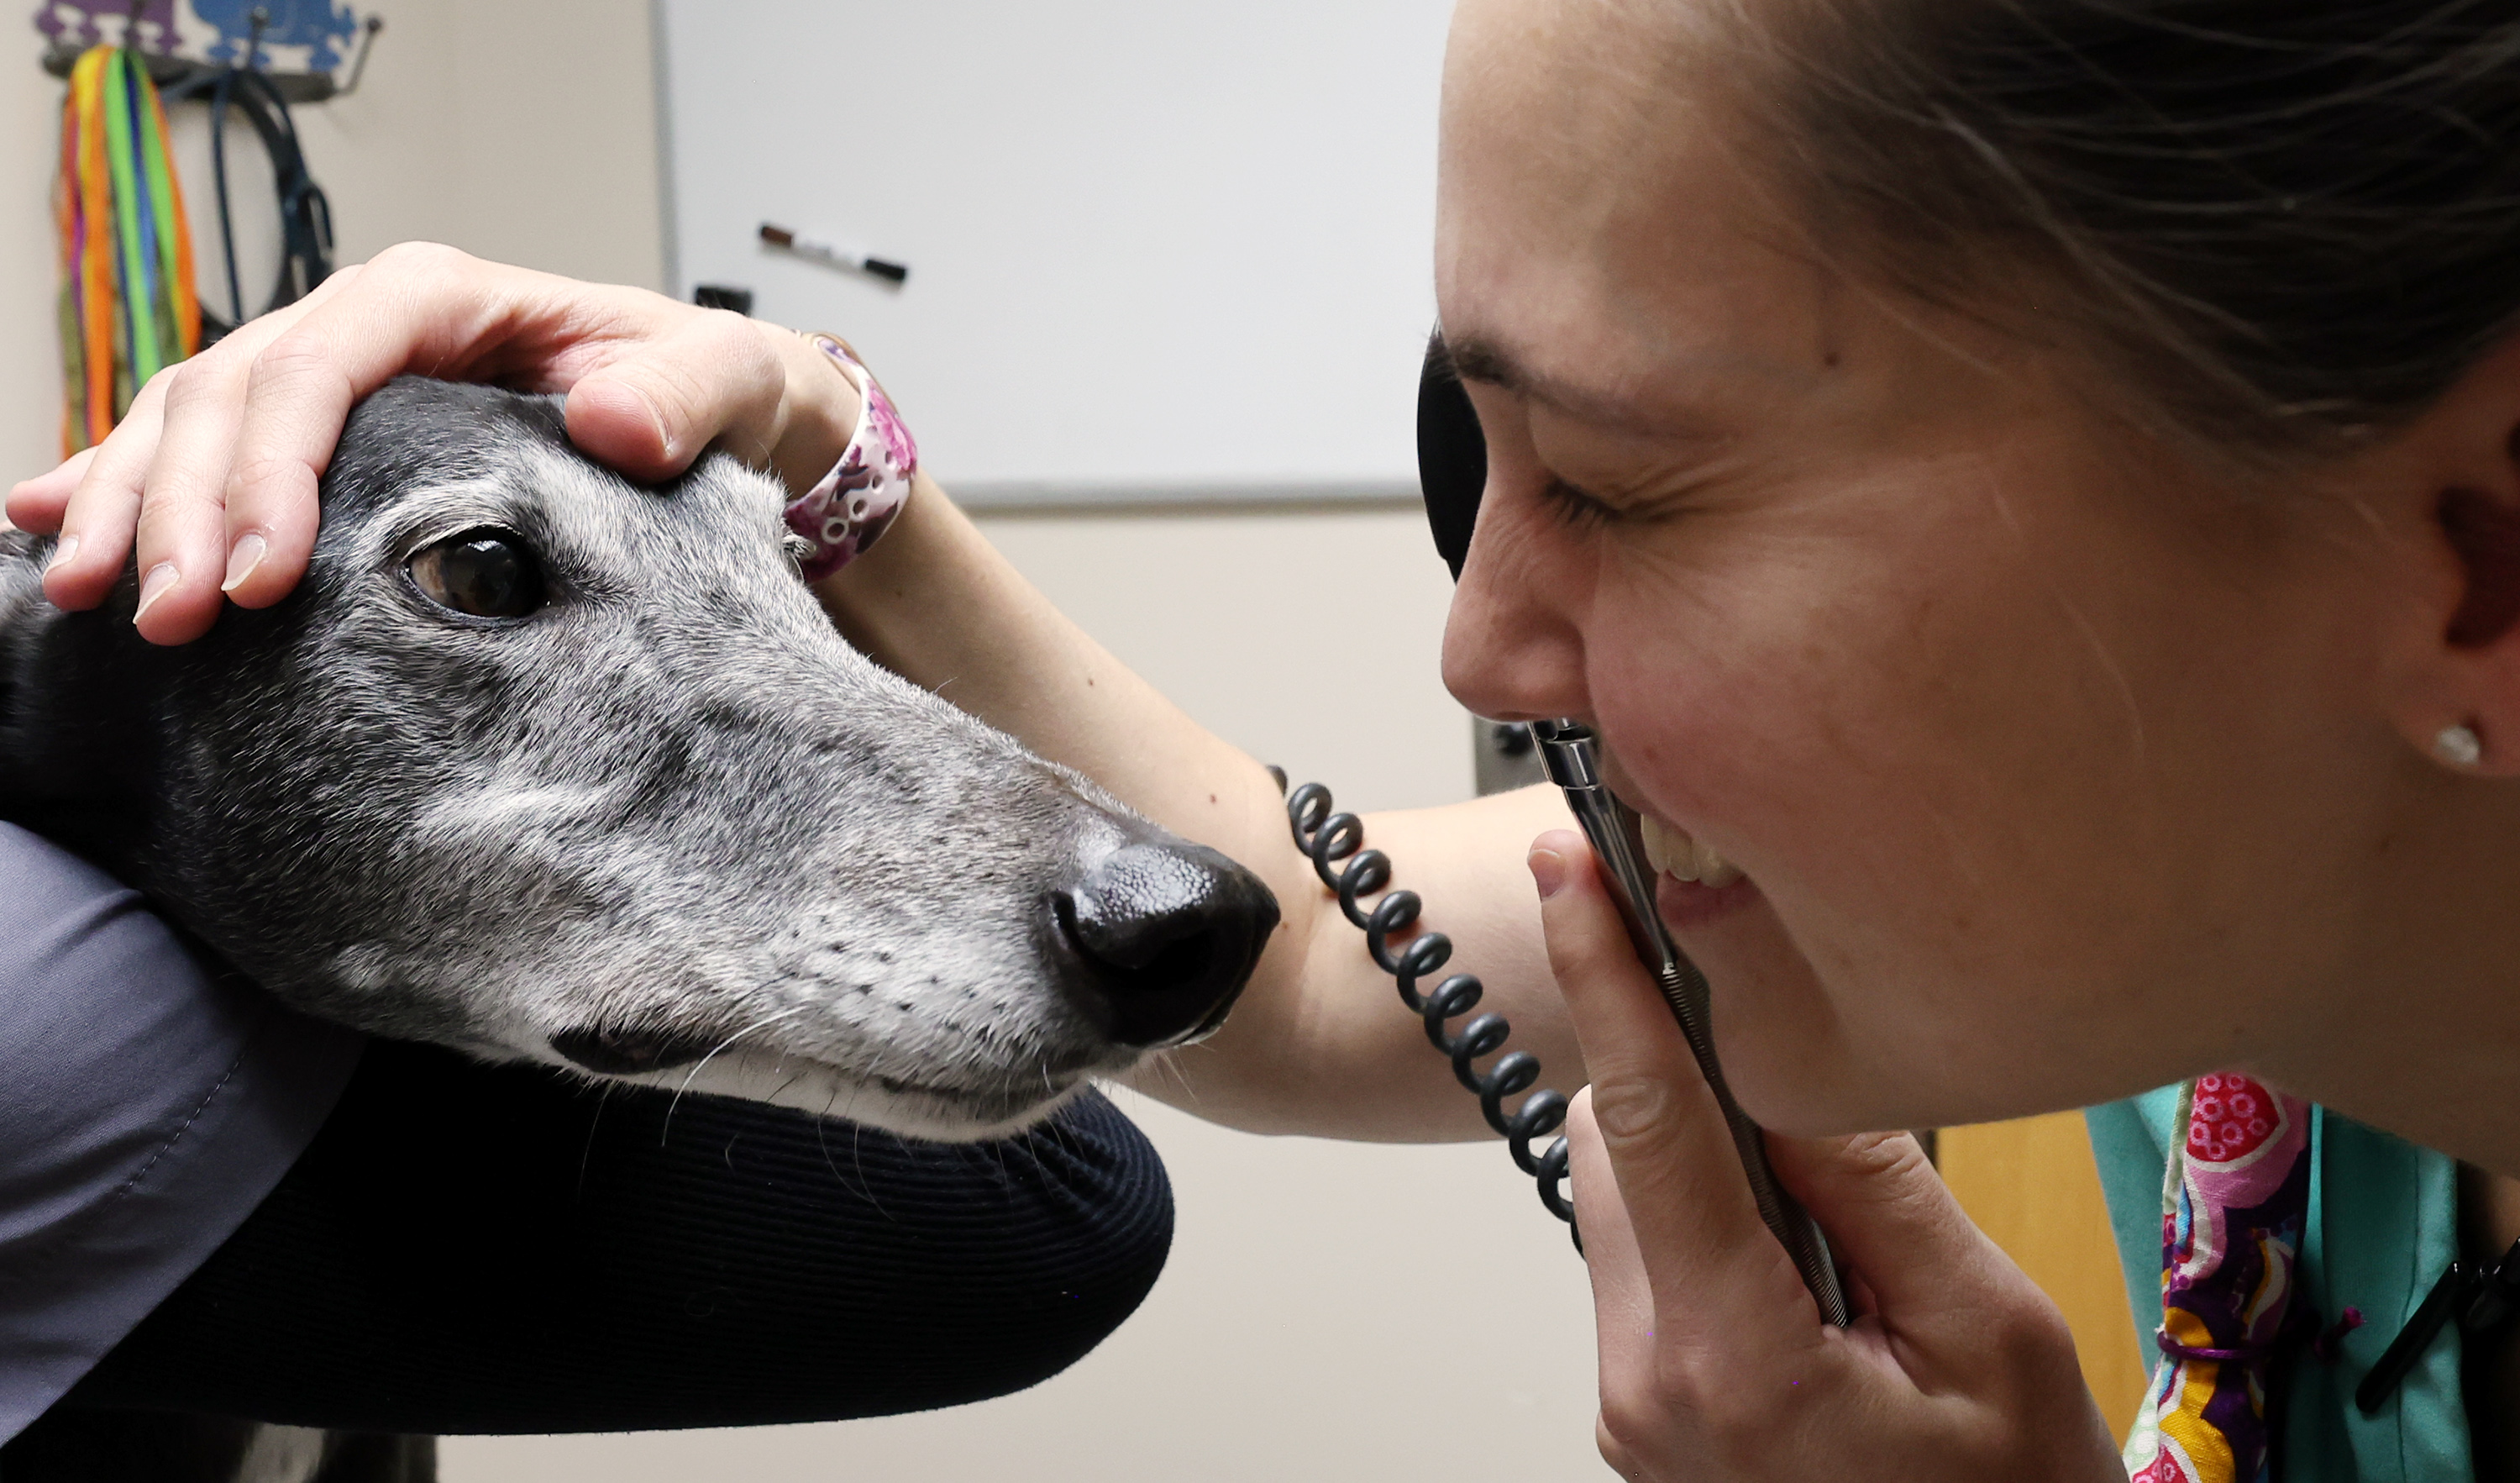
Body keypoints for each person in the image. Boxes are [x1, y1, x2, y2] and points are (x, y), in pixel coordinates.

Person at [11, 0, 2520, 1477]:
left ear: (2478, 563)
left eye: (1623, 485)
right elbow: (1303, 959)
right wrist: (809, 427)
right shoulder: (2239, 945)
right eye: (1465, 461)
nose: (1478, 650)